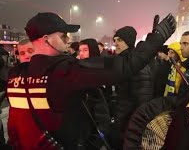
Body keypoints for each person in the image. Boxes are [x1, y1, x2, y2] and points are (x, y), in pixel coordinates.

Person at [6, 12, 176, 149]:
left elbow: (13, 126)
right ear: (46, 39)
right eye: (63, 35)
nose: (68, 39)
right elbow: (123, 66)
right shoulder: (65, 71)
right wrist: (156, 39)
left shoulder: (15, 76)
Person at [111, 26, 159, 148]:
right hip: (122, 121)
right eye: (115, 40)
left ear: (129, 42)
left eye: (120, 40)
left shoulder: (138, 66)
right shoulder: (123, 61)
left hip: (131, 125)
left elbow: (143, 100)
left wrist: (134, 128)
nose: (115, 43)